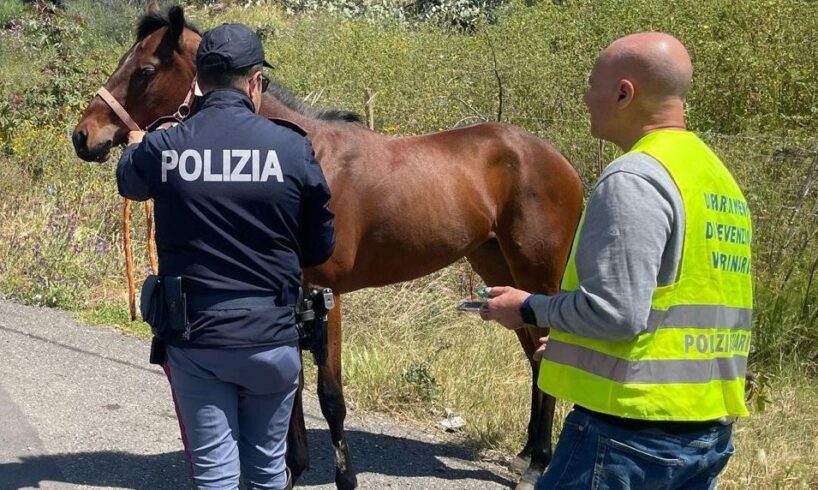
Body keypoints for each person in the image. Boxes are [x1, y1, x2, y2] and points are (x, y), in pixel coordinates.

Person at [480, 32, 752, 489]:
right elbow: (667, 310)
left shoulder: (634, 178)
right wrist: (576, 348)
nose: (586, 97)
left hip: (627, 438)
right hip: (702, 435)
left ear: (624, 93)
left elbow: (616, 312)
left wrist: (527, 308)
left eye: (592, 84)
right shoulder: (715, 177)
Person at [116, 23, 335, 490]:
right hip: (274, 340)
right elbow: (320, 249)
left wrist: (138, 147)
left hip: (197, 343)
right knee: (267, 472)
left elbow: (128, 182)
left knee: (216, 475)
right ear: (255, 82)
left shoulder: (165, 147)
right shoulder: (293, 149)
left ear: (197, 83)